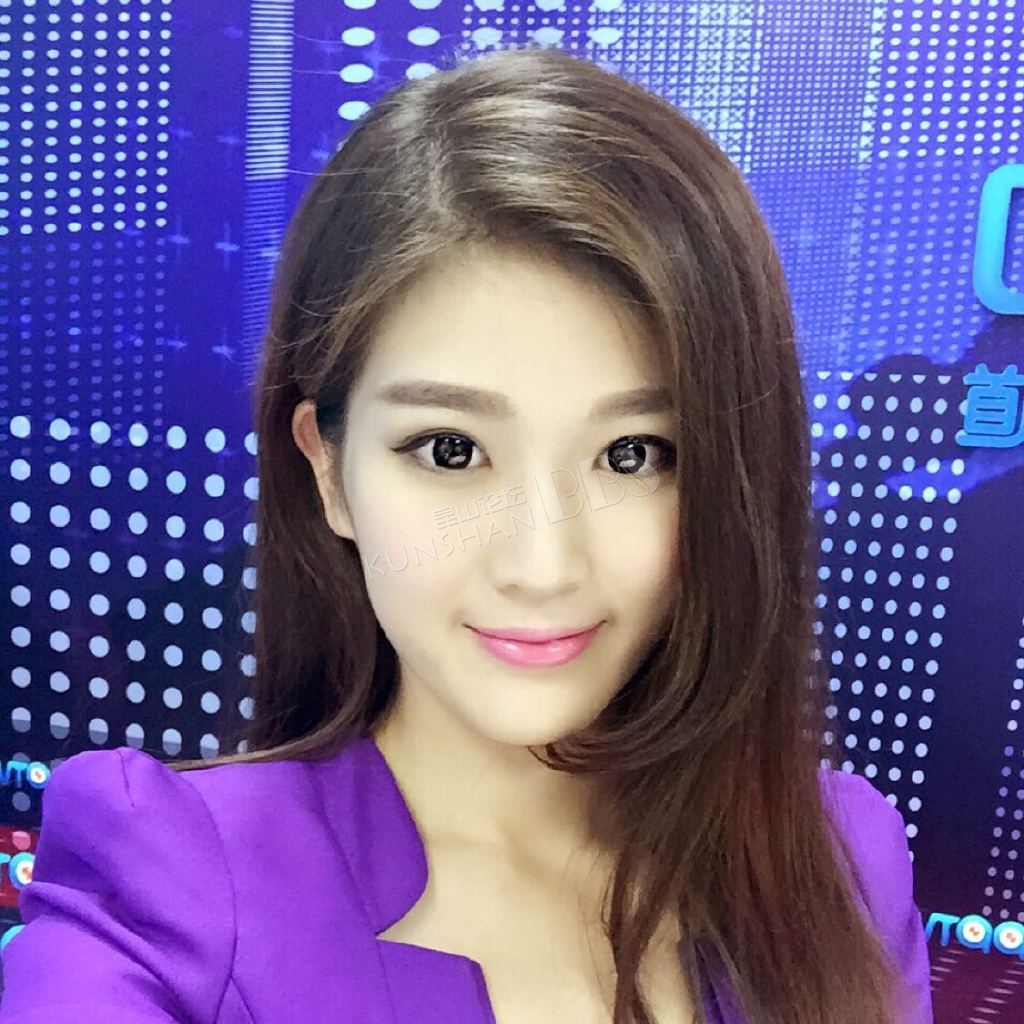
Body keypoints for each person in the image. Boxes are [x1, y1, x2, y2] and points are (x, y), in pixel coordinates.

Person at [0, 44, 933, 1024]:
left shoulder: (837, 863)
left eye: (632, 455)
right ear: (329, 470)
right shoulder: (169, 885)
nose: (541, 565)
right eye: (450, 450)